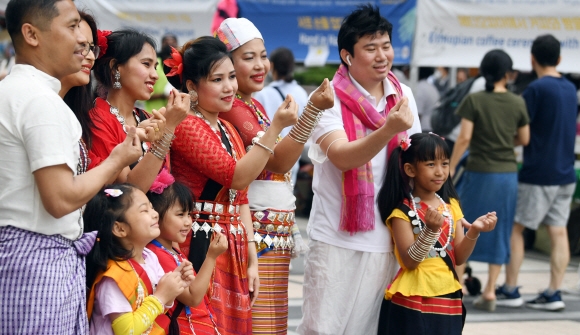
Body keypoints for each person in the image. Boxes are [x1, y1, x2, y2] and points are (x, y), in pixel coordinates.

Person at [0, 1, 142, 333]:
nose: (83, 40)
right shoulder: (39, 100)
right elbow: (61, 199)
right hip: (37, 263)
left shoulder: (14, 90)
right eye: (72, 26)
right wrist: (116, 160)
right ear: (32, 34)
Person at [297, 5, 421, 334]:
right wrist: (387, 129)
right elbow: (341, 156)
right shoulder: (327, 99)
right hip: (336, 239)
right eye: (370, 48)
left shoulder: (403, 94)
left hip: (388, 237)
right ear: (347, 55)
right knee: (322, 329)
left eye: (386, 45)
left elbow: (418, 161)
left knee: (368, 330)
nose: (382, 55)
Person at [164, 36, 298, 335]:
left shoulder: (226, 127)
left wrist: (251, 255)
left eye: (231, 77)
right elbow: (235, 176)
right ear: (191, 86)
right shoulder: (187, 125)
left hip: (233, 244)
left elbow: (241, 196)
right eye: (217, 79)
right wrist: (275, 127)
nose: (229, 87)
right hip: (197, 243)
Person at [214, 18, 333, 334]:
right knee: (261, 325)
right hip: (256, 229)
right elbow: (279, 163)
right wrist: (311, 112)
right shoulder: (234, 109)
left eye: (262, 56)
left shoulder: (252, 107)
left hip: (270, 229)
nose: (260, 65)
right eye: (248, 57)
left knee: (271, 323)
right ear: (225, 64)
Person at [377, 133, 497, 335]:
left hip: (447, 293)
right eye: (431, 164)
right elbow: (409, 262)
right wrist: (430, 232)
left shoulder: (451, 207)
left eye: (445, 164)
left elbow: (458, 257)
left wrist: (474, 230)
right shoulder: (402, 213)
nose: (440, 172)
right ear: (410, 169)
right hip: (413, 295)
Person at [498, 34, 579, 311]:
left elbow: (522, 134)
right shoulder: (570, 89)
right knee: (558, 232)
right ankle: (554, 293)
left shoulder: (535, 90)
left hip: (538, 172)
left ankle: (509, 288)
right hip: (566, 174)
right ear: (559, 59)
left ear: (532, 59)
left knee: (516, 229)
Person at [449, 49, 530, 312]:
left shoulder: (476, 101)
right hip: (507, 175)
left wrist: (449, 167)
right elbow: (524, 139)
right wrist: (505, 143)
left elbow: (463, 138)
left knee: (463, 225)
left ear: (484, 72)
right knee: (501, 228)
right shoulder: (518, 102)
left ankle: (458, 284)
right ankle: (491, 290)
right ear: (508, 74)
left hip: (479, 171)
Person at [90, 29, 189, 191]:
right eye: (146, 64)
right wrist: (168, 129)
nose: (155, 75)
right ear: (116, 68)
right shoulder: (97, 119)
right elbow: (130, 189)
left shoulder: (147, 117)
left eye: (155, 66)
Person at [85, 184, 191, 335]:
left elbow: (161, 307)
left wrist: (176, 282)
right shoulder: (114, 277)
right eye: (144, 210)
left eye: (152, 207)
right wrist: (160, 297)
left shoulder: (150, 257)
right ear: (120, 229)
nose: (155, 214)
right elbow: (126, 330)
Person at [146, 170, 228, 334]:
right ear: (156, 217)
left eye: (189, 214)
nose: (188, 222)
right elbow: (193, 297)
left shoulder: (171, 250)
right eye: (180, 215)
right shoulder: (156, 254)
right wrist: (211, 256)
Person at [254, 47, 310, 187]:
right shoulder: (301, 93)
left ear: (271, 66)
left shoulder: (263, 94)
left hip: (267, 160)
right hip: (293, 160)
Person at [59, 10, 98, 168]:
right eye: (81, 46)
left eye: (91, 48)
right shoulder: (38, 102)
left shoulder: (76, 110)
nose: (91, 56)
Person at [145, 33, 178, 113]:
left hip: (175, 115)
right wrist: (164, 95)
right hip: (153, 115)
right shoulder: (155, 65)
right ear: (162, 45)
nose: (170, 45)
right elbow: (144, 95)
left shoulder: (181, 65)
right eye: (166, 43)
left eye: (173, 43)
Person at [414, 67, 439, 132]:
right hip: (432, 124)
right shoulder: (431, 87)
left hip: (423, 127)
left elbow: (418, 113)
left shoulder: (419, 88)